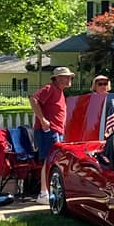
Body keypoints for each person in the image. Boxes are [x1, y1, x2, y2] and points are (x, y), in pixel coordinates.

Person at [30, 66, 74, 203]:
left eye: (69, 77)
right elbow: (33, 99)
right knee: (49, 160)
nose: (69, 79)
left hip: (56, 131)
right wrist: (43, 120)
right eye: (66, 76)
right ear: (58, 78)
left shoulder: (59, 91)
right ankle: (43, 193)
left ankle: (49, 190)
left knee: (53, 160)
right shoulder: (50, 88)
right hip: (49, 131)